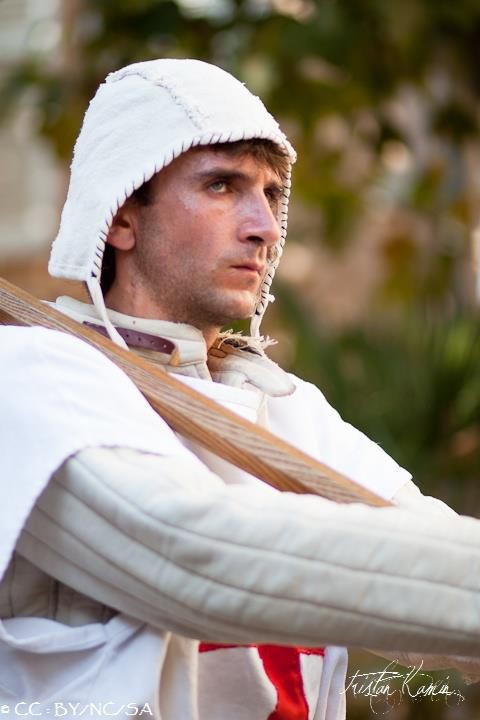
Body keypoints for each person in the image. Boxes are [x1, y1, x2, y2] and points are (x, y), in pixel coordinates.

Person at [1, 58, 480, 720]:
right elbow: (194, 558)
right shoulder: (31, 374)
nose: (266, 227)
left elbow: (429, 553)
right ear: (121, 218)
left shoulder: (284, 407)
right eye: (222, 185)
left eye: (272, 192)